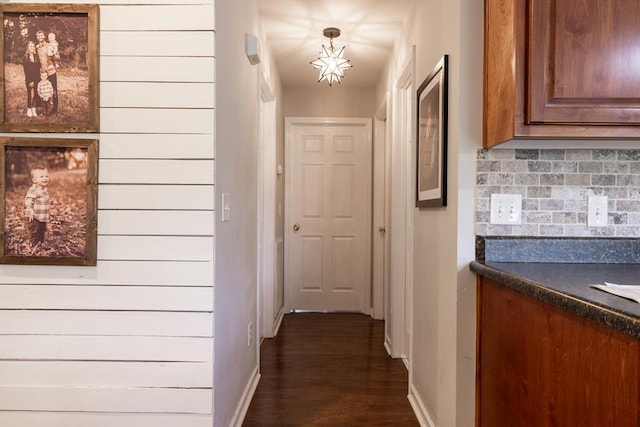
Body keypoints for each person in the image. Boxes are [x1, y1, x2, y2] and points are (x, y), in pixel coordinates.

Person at [24, 166, 50, 247]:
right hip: (33, 216)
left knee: (42, 230)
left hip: (42, 216)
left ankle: (41, 243)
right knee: (34, 231)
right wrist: (30, 211)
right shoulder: (33, 189)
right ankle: (34, 245)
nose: (45, 178)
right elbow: (28, 200)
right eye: (41, 176)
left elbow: (44, 203)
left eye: (46, 176)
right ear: (34, 180)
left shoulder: (44, 189)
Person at [35, 30, 58, 114]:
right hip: (43, 74)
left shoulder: (50, 45)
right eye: (38, 36)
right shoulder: (37, 48)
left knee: (53, 90)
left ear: (44, 36)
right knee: (43, 90)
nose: (40, 37)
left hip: (51, 71)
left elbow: (56, 56)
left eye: (41, 35)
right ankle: (45, 108)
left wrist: (55, 63)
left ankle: (54, 109)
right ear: (37, 37)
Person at [22, 41, 40, 118]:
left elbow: (38, 68)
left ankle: (34, 109)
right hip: (29, 79)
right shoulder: (25, 57)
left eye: (33, 46)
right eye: (31, 46)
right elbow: (26, 71)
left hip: (37, 78)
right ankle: (29, 108)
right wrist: (30, 81)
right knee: (31, 95)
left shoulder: (36, 56)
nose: (32, 48)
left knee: (36, 94)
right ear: (28, 48)